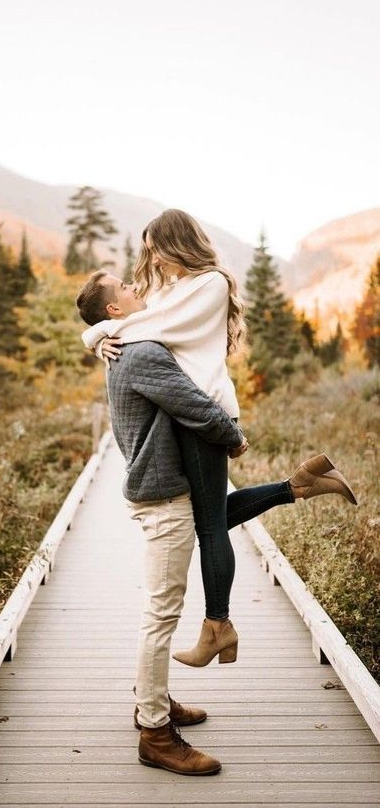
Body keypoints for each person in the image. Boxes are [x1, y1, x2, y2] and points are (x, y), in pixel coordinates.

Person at [79, 209, 358, 669]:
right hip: (184, 412)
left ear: (177, 243)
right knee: (203, 520)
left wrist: (98, 333)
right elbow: (132, 315)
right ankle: (300, 485)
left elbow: (154, 329)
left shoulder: (211, 284)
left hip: (204, 412)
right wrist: (97, 332)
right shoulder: (169, 286)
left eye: (156, 249)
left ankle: (218, 627)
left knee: (207, 525)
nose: (150, 259)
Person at [76, 274, 246, 775]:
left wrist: (93, 338)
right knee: (162, 613)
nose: (136, 286)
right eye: (126, 286)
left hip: (155, 489)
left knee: (160, 608)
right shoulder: (141, 353)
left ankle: (154, 699)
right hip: (164, 495)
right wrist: (233, 435)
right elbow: (195, 406)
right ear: (114, 308)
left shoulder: (123, 344)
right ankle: (154, 732)